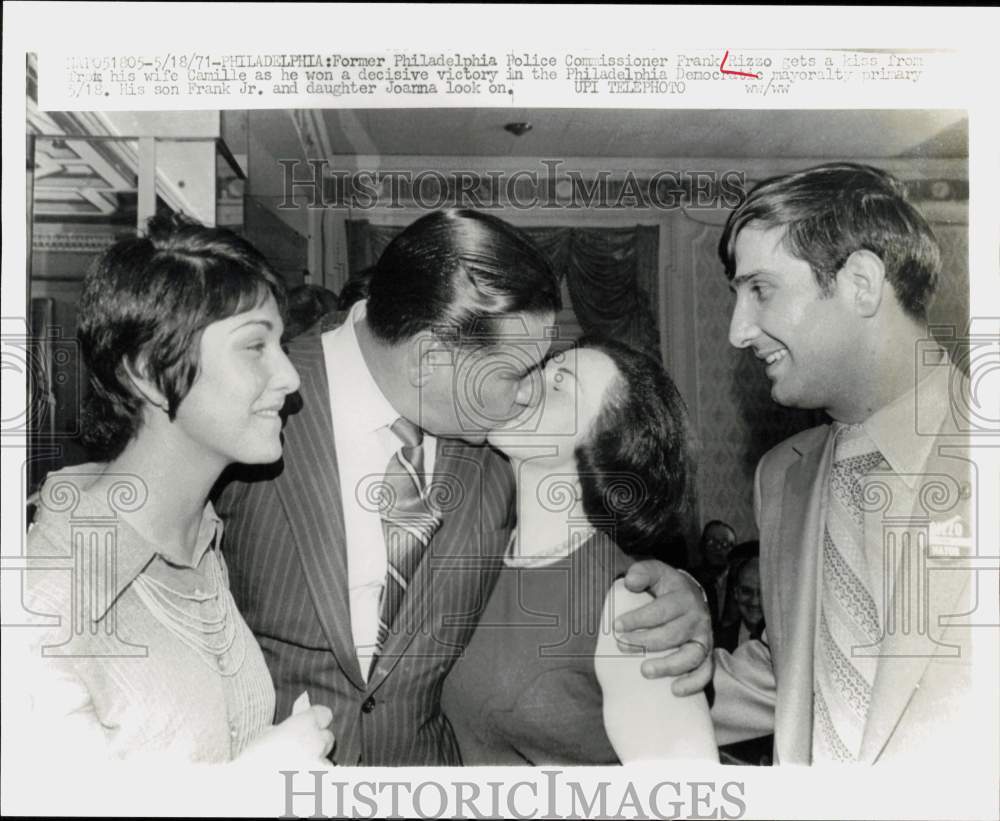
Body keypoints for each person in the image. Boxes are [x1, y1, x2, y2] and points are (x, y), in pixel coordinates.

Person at [215, 209, 714, 766]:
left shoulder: (491, 449)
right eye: (514, 372)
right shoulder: (256, 400)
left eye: (546, 372)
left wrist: (681, 595)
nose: (521, 395)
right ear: (432, 358)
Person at [2, 217, 335, 776]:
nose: (289, 377)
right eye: (254, 346)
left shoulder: (200, 542)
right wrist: (249, 788)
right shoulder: (43, 597)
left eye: (280, 343)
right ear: (149, 374)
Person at [709, 162, 981, 765]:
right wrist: (656, 665)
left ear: (860, 282)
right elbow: (797, 667)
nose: (737, 331)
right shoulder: (781, 476)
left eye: (761, 289)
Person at [442, 338, 717, 764]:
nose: (528, 382)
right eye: (544, 367)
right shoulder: (479, 552)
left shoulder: (628, 607)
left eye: (560, 383)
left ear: (605, 442)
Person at [715, 541, 764, 653]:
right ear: (736, 593)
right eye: (746, 591)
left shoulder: (790, 640)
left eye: (762, 593)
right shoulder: (717, 641)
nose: (755, 602)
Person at [693, 519, 737, 625]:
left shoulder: (739, 581)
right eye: (711, 542)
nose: (717, 548)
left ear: (733, 550)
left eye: (725, 544)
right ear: (702, 546)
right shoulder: (689, 579)